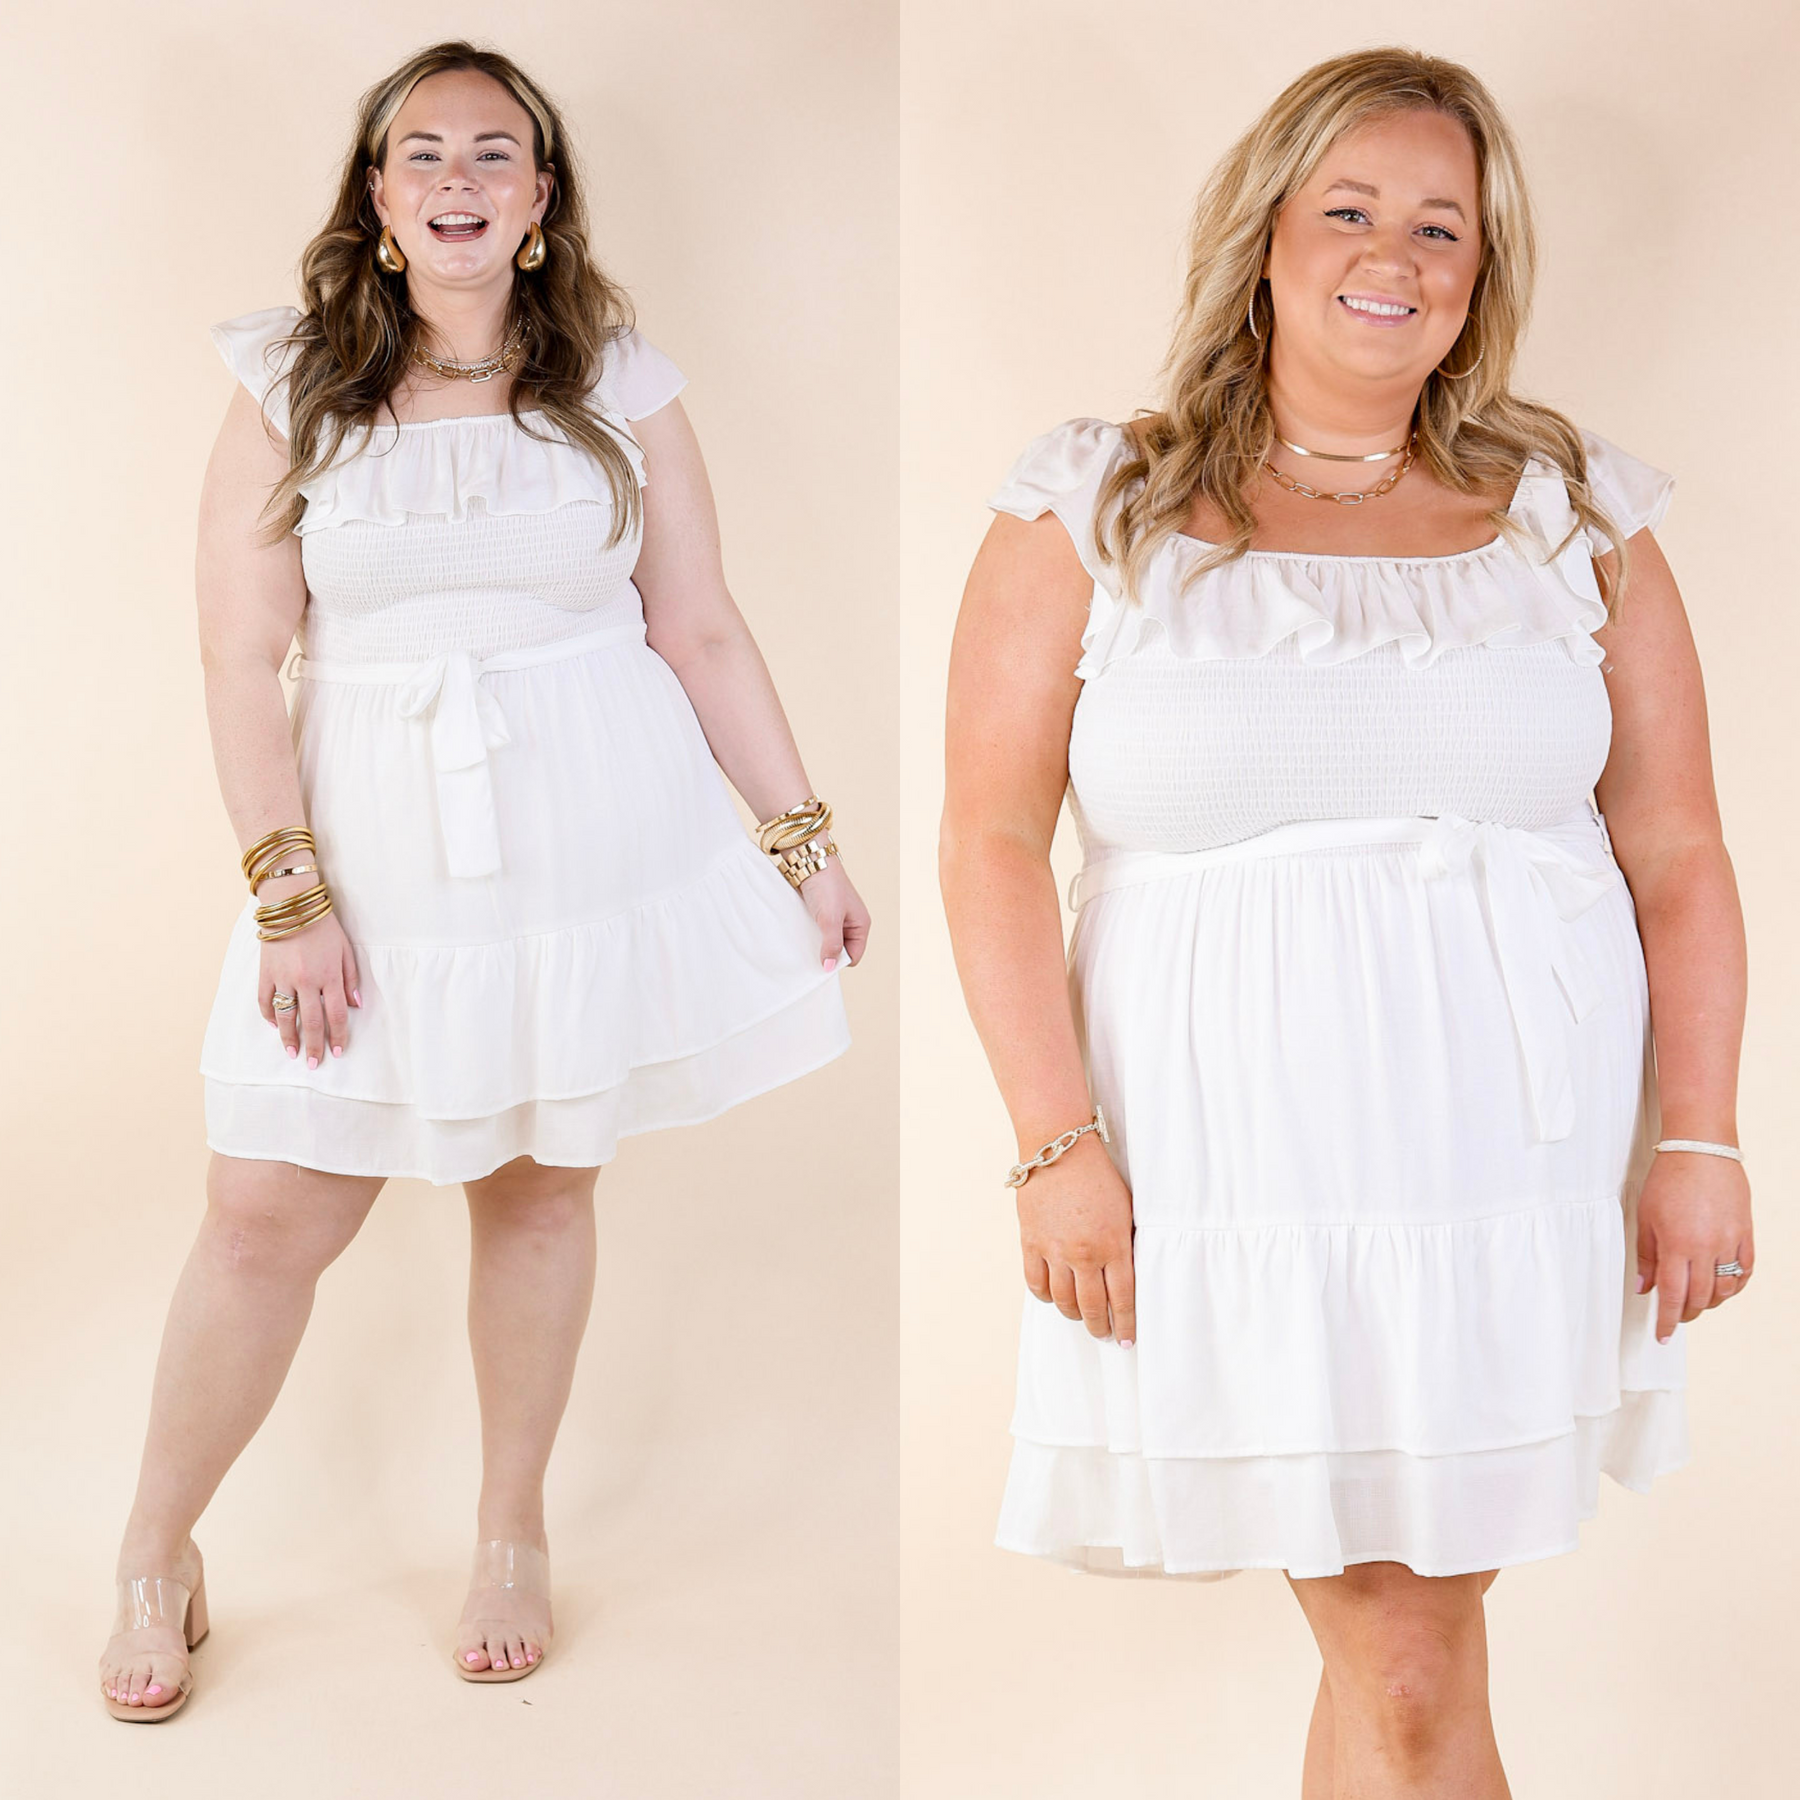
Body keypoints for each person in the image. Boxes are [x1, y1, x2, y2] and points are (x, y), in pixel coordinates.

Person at [939, 46, 1749, 1797]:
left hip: (1505, 1151)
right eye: (1352, 211)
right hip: (1225, 1157)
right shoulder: (1095, 507)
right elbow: (990, 841)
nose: (1396, 257)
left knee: (1400, 1658)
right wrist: (1054, 1143)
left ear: (1483, 269)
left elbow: (1679, 851)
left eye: (1441, 226)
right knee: (1400, 1656)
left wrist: (1702, 1137)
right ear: (1266, 237)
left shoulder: (1577, 519)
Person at [98, 40, 868, 1721]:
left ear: (539, 199)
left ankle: (510, 1531)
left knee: (537, 1191)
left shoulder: (622, 381)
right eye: (424, 153)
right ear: (379, 201)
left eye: (494, 152)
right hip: (375, 845)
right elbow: (239, 655)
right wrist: (291, 895)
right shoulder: (286, 380)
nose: (459, 177)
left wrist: (800, 842)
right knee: (262, 1215)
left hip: (590, 839)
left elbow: (702, 628)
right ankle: (156, 1548)